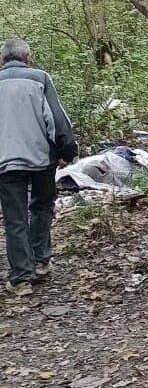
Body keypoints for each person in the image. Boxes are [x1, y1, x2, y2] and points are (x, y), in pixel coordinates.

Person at [0, 39, 77, 296]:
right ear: (28, 58)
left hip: (6, 162)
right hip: (41, 159)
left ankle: (21, 278)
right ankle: (41, 261)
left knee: (15, 218)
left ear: (2, 60)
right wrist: (68, 151)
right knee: (42, 206)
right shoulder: (40, 78)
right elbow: (56, 118)